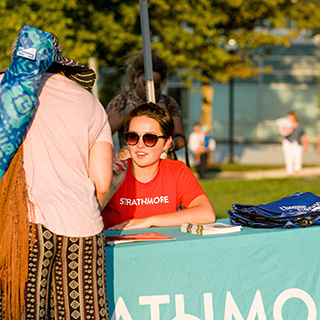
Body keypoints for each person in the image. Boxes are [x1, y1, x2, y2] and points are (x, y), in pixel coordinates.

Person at [0, 26, 126, 319]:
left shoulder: (6, 91)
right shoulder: (89, 102)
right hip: (82, 226)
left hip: (24, 227)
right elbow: (103, 183)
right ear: (61, 63)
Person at [101, 103, 215, 230]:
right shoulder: (112, 174)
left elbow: (206, 213)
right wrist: (107, 190)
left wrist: (149, 221)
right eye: (133, 137)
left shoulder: (176, 171)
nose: (140, 145)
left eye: (149, 138)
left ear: (166, 143)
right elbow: (83, 215)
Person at [105, 49, 186, 161]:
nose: (150, 89)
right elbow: (105, 130)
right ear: (136, 78)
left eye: (156, 86)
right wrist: (126, 114)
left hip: (162, 160)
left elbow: (180, 137)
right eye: (145, 84)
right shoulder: (122, 101)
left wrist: (169, 146)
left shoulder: (168, 102)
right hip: (130, 161)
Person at [279, 111, 308, 177]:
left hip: (297, 144)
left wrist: (306, 145)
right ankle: (289, 173)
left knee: (297, 158)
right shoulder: (286, 125)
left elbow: (303, 136)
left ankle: (296, 173)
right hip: (288, 143)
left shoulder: (300, 125)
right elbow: (281, 131)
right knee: (288, 158)